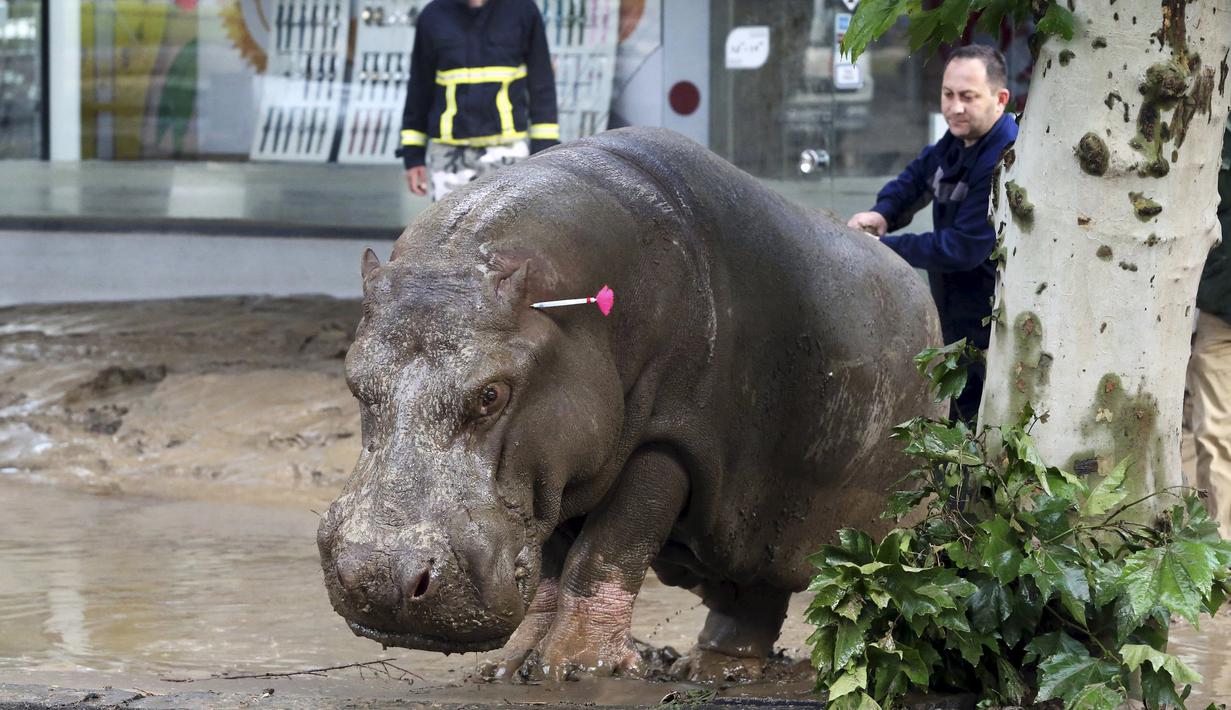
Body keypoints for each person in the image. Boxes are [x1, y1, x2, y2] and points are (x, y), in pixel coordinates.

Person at [847, 44, 1018, 421]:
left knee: (981, 426)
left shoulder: (1006, 155)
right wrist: (882, 213)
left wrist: (881, 248)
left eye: (968, 97)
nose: (955, 107)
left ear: (1000, 98)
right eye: (948, 95)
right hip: (955, 319)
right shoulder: (958, 140)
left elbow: (964, 248)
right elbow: (917, 178)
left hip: (994, 327)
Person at [398, 0, 559, 201]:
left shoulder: (522, 10)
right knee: (448, 231)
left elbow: (542, 86)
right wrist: (413, 156)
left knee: (510, 231)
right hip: (449, 158)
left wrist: (544, 152)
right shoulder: (433, 16)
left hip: (508, 153)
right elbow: (419, 90)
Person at [1187, 117, 1231, 534]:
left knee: (1214, 434)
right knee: (1207, 431)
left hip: (1216, 305)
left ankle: (1219, 559)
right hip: (1210, 304)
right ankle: (1212, 550)